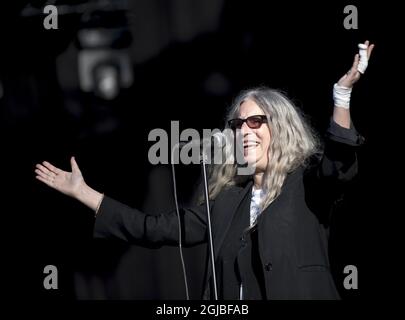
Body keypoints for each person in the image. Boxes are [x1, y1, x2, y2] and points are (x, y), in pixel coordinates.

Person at [35, 41, 374, 299]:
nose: (245, 131)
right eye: (238, 125)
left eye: (256, 121)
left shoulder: (308, 183)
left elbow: (339, 165)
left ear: (281, 127)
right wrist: (84, 192)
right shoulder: (227, 204)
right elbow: (154, 229)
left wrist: (341, 96)